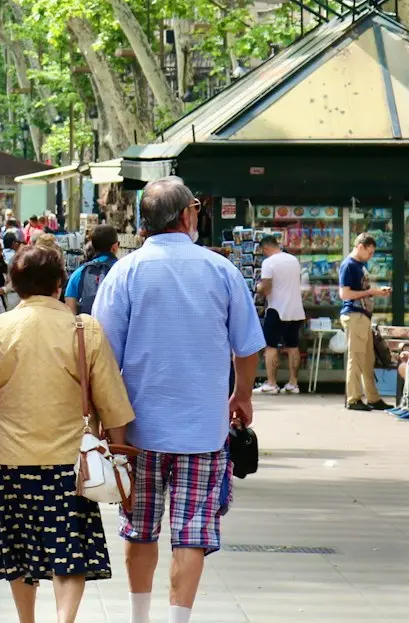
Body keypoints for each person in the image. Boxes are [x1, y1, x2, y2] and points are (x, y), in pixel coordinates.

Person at [92, 176, 264, 623]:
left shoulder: (125, 272)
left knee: (140, 527)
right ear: (188, 214)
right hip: (204, 432)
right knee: (192, 533)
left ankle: (139, 617)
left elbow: (102, 354)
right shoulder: (220, 270)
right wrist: (241, 395)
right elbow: (247, 346)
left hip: (138, 430)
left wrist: (106, 424)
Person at [0, 245, 134, 623]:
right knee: (69, 549)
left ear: (15, 285)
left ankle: (27, 620)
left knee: (18, 547)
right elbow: (111, 398)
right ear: (58, 283)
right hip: (72, 462)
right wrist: (121, 451)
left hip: (12, 460)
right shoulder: (84, 329)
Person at [339, 233, 392, 411]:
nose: (371, 256)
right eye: (369, 252)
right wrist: (372, 293)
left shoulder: (359, 265)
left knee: (368, 359)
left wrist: (375, 291)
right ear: (360, 247)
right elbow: (345, 294)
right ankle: (353, 399)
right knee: (356, 358)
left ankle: (372, 397)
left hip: (362, 316)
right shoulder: (349, 265)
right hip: (355, 315)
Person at [254, 234, 305, 393]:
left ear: (266, 248)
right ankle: (293, 383)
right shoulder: (293, 260)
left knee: (271, 347)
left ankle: (271, 383)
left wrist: (258, 288)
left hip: (277, 309)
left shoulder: (268, 263)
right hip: (296, 309)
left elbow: (266, 288)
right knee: (293, 346)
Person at [64, 225, 120, 315]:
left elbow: (71, 311)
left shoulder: (79, 272)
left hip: (87, 327)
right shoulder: (123, 270)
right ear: (114, 247)